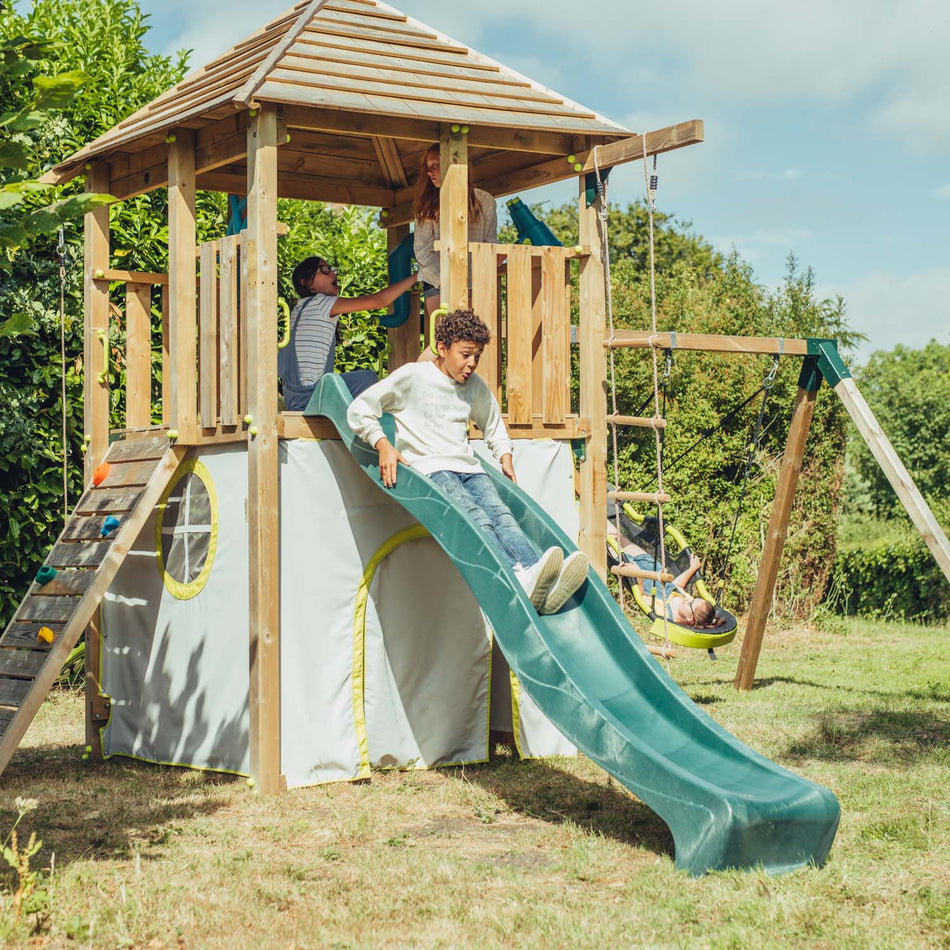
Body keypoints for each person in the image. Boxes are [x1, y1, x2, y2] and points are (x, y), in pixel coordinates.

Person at [347, 308, 588, 615]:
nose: (471, 364)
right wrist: (382, 444)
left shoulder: (473, 386)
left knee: (502, 515)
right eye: (465, 355)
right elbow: (360, 409)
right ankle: (515, 576)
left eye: (477, 356)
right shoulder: (413, 376)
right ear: (444, 348)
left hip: (468, 468)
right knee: (477, 516)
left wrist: (505, 456)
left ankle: (536, 576)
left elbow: (492, 421)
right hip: (431, 469)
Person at [279, 256, 418, 411]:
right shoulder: (321, 303)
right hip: (311, 398)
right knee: (368, 378)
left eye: (331, 269)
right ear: (306, 283)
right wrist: (417, 277)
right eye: (324, 269)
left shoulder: (297, 310)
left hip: (293, 399)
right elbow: (378, 301)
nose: (332, 273)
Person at [412, 144, 497, 321]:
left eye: (435, 165)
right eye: (428, 168)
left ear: (452, 164)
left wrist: (470, 281)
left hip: (473, 282)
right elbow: (422, 249)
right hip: (437, 281)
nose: (430, 172)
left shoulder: (485, 201)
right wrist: (448, 282)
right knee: (444, 338)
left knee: (470, 339)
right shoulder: (426, 204)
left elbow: (490, 243)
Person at [614, 534, 721, 628]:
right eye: (694, 599)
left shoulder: (665, 613)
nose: (690, 599)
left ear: (689, 617)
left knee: (610, 540)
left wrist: (637, 574)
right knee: (618, 536)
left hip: (636, 573)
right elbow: (677, 586)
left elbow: (641, 596)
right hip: (652, 566)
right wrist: (692, 569)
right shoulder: (686, 601)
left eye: (691, 603)